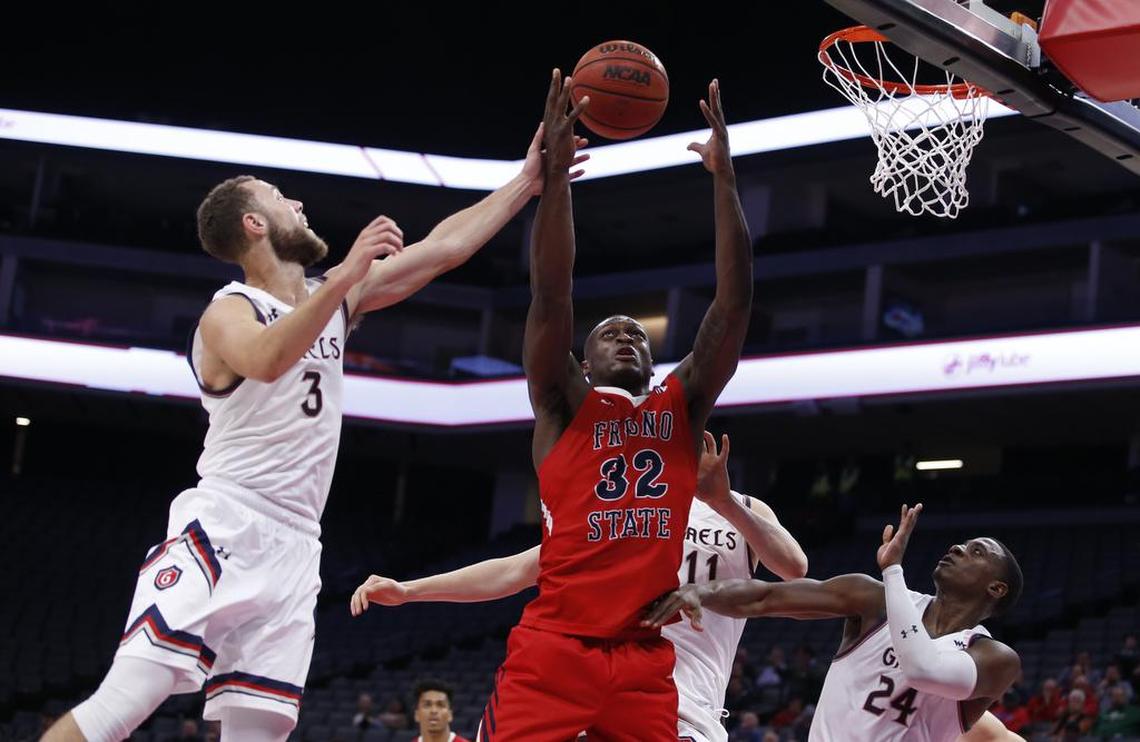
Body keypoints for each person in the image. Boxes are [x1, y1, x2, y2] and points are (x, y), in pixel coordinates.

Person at [43, 125, 588, 742]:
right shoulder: (230, 309)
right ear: (254, 223)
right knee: (128, 699)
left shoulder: (334, 298)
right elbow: (269, 359)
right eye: (281, 198)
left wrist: (525, 183)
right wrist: (345, 275)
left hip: (297, 545)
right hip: (227, 523)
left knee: (261, 732)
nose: (297, 205)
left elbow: (442, 249)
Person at [470, 68, 752, 740]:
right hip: (557, 649)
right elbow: (552, 294)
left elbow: (733, 303)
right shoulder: (563, 405)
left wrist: (724, 181)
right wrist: (557, 181)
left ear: (653, 359)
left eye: (636, 333)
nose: (625, 335)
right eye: (609, 333)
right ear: (583, 360)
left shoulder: (679, 410)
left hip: (641, 657)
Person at [352, 432, 807, 742]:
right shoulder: (619, 508)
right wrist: (410, 590)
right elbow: (516, 570)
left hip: (690, 708)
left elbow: (794, 567)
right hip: (604, 693)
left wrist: (722, 500)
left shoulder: (743, 509)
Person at [646, 504, 1024, 741]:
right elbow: (765, 596)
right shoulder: (872, 598)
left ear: (996, 587)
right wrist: (703, 592)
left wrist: (893, 569)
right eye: (962, 544)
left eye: (977, 551)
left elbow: (923, 668)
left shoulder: (993, 657)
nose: (957, 548)